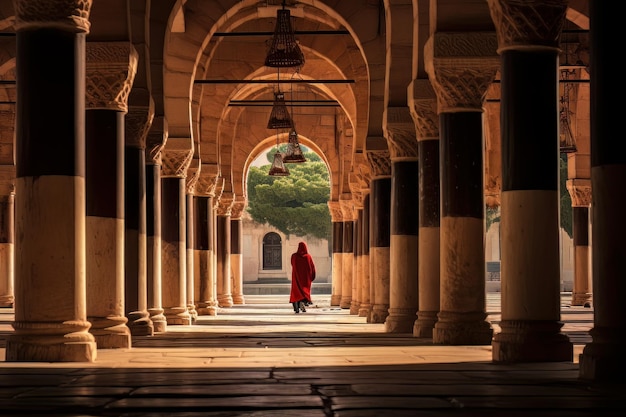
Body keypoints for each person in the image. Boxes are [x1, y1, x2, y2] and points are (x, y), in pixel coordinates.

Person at [289, 241, 316, 313]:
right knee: (305, 291)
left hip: (296, 278)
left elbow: (292, 264)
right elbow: (312, 267)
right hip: (306, 279)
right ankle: (303, 302)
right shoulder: (308, 257)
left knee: (296, 292)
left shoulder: (294, 256)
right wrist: (312, 276)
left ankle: (296, 307)